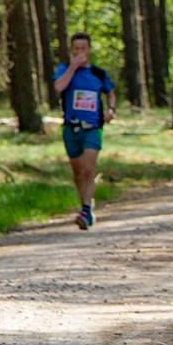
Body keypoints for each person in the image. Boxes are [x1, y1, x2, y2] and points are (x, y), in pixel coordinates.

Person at [53, 32, 117, 230]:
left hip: (93, 128)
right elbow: (58, 87)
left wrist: (111, 110)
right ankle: (86, 206)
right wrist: (73, 67)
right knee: (78, 172)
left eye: (83, 48)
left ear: (89, 50)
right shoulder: (64, 70)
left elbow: (110, 93)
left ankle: (86, 210)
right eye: (76, 48)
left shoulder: (98, 73)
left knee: (88, 169)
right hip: (71, 129)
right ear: (72, 50)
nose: (80, 52)